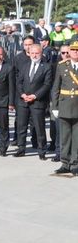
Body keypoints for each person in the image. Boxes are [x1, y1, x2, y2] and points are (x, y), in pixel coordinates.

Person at [14, 44, 53, 159]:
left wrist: (35, 96)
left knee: (39, 127)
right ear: (29, 53)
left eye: (37, 53)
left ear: (41, 53)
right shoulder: (25, 65)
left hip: (37, 102)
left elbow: (47, 84)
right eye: (32, 53)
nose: (35, 55)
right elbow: (19, 82)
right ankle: (21, 149)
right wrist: (22, 94)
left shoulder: (46, 67)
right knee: (21, 126)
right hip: (23, 101)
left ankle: (42, 151)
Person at [51, 41, 78, 176]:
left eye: (77, 50)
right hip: (64, 105)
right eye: (73, 50)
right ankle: (65, 163)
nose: (75, 52)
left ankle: (75, 164)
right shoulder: (62, 66)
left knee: (76, 137)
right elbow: (56, 87)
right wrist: (54, 106)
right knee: (65, 137)